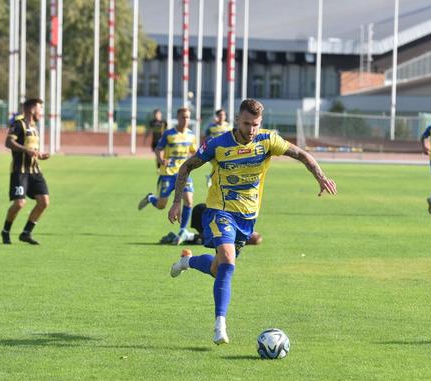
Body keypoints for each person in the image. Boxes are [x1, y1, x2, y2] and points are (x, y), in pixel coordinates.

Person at [166, 98, 337, 345]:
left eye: (256, 124)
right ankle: (220, 325)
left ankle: (188, 261)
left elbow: (301, 154)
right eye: (247, 123)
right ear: (237, 120)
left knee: (218, 268)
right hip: (219, 210)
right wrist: (176, 202)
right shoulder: (218, 144)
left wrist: (321, 177)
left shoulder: (267, 140)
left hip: (247, 218)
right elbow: (186, 167)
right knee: (227, 258)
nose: (251, 129)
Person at [138, 107, 197, 245]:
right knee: (161, 205)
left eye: (188, 117)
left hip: (183, 174)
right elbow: (158, 149)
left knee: (189, 200)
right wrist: (161, 160)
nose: (185, 119)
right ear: (178, 118)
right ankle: (151, 198)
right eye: (183, 117)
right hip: (168, 174)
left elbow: (194, 152)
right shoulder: (169, 134)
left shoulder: (191, 136)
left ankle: (182, 230)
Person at [1, 98, 50, 245]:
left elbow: (32, 150)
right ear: (33, 109)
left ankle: (26, 233)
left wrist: (39, 155)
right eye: (40, 109)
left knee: (44, 202)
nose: (41, 112)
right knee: (19, 204)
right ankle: (5, 231)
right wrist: (25, 150)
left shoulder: (35, 127)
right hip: (20, 171)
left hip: (35, 171)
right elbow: (8, 142)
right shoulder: (18, 124)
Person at [159, 202, 263, 246]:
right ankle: (184, 236)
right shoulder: (239, 232)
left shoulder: (241, 231)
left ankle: (179, 237)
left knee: (210, 240)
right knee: (213, 240)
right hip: (204, 212)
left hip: (204, 210)